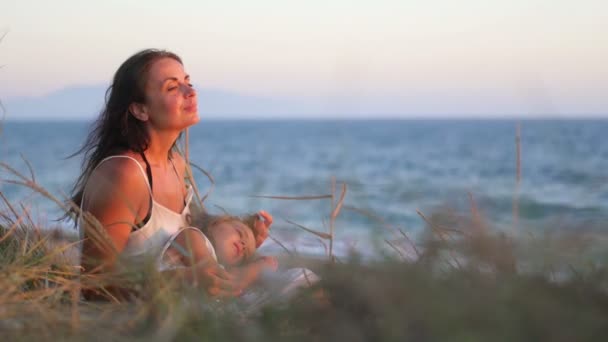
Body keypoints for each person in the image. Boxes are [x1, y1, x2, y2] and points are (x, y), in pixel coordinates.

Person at [69, 49, 273, 300]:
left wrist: (244, 233)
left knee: (304, 282)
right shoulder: (124, 174)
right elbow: (93, 287)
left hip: (182, 310)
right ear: (140, 110)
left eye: (188, 82)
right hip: (136, 324)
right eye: (172, 87)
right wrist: (181, 281)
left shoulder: (176, 163)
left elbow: (185, 240)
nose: (191, 92)